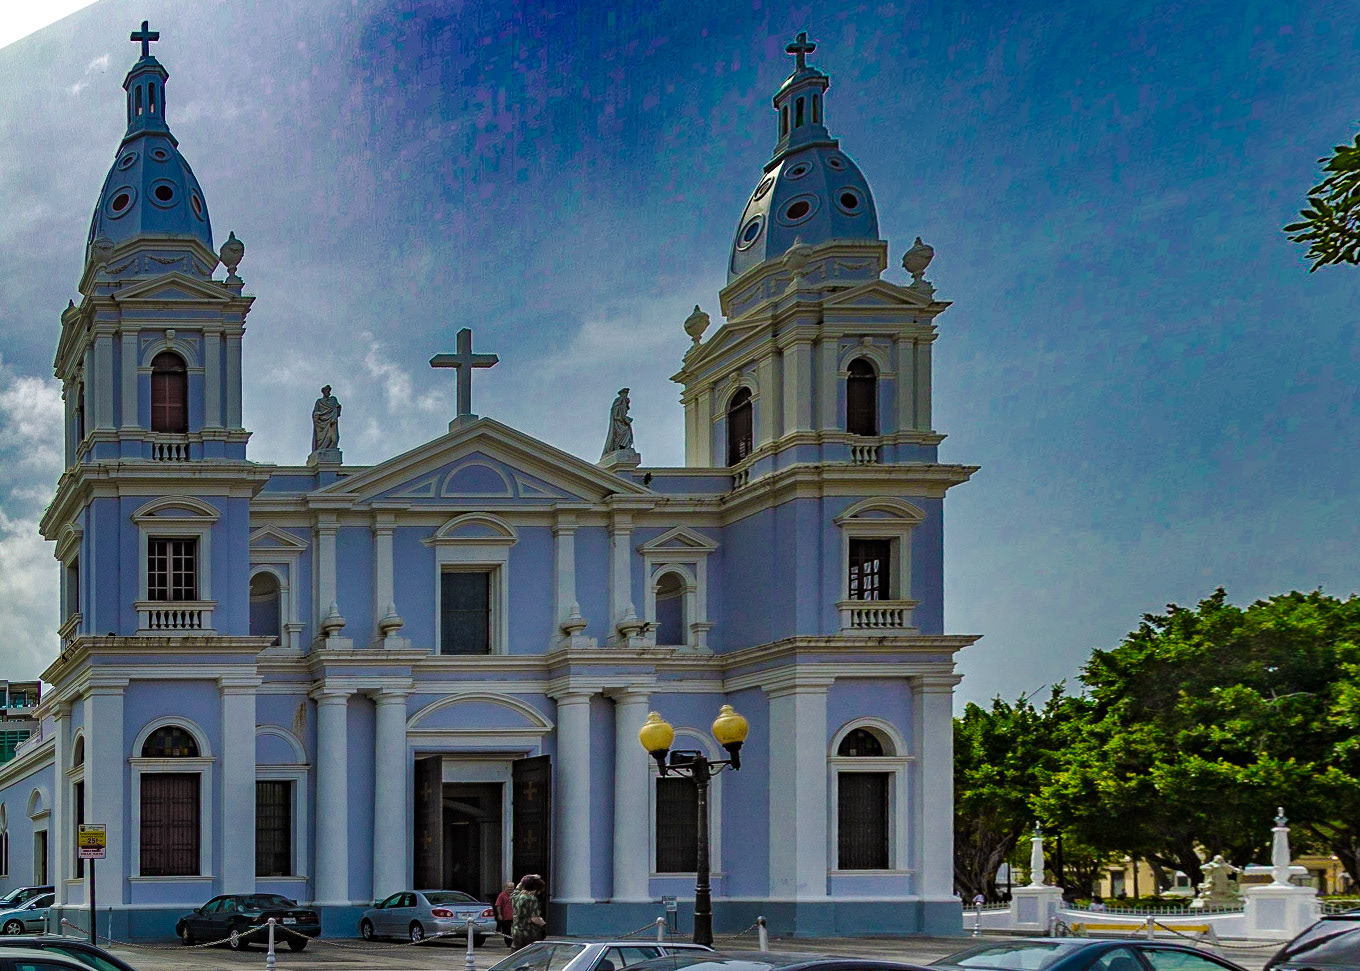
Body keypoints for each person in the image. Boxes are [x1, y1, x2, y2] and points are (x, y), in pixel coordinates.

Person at [510, 874, 547, 951]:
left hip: (516, 932)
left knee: (517, 955)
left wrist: (530, 877)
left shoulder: (514, 896)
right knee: (536, 955)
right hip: (530, 934)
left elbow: (519, 885)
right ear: (536, 889)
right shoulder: (532, 899)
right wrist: (543, 924)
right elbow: (535, 919)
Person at [493, 881, 515, 947]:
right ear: (505, 887)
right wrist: (499, 914)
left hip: (515, 916)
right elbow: (498, 905)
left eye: (511, 887)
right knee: (506, 931)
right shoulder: (502, 895)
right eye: (509, 887)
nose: (510, 889)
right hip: (506, 917)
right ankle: (508, 943)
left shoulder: (516, 895)